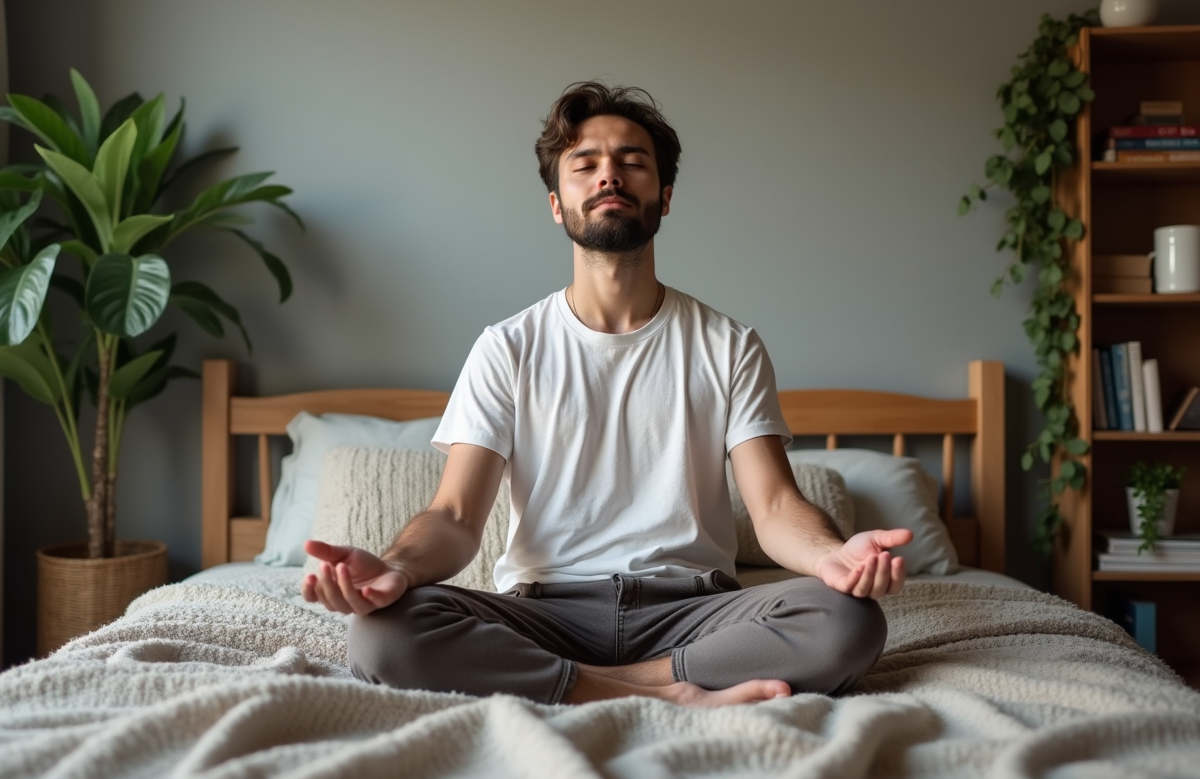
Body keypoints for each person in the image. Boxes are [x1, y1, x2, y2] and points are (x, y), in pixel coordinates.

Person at [302, 81, 911, 707]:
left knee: (847, 619)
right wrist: (398, 568)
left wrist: (836, 557)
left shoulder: (729, 345)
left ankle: (599, 687)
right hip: (546, 616)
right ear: (556, 203)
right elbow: (455, 518)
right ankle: (669, 692)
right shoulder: (506, 348)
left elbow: (777, 507)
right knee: (383, 633)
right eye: (585, 163)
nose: (609, 176)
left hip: (693, 615)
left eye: (632, 162)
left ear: (664, 196)